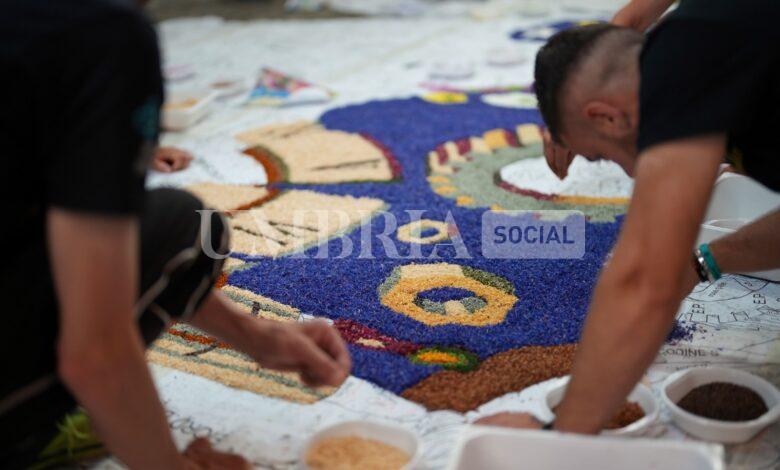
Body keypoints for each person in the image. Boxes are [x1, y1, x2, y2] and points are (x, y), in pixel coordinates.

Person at [0, 1, 350, 468]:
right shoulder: (101, 31)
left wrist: (258, 336)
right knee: (191, 224)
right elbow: (96, 356)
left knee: (176, 228)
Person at [478, 0, 780, 432]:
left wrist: (558, 440)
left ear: (606, 115)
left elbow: (643, 281)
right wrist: (701, 263)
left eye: (600, 155)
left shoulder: (687, 57)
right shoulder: (709, 49)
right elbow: (616, 39)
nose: (632, 173)